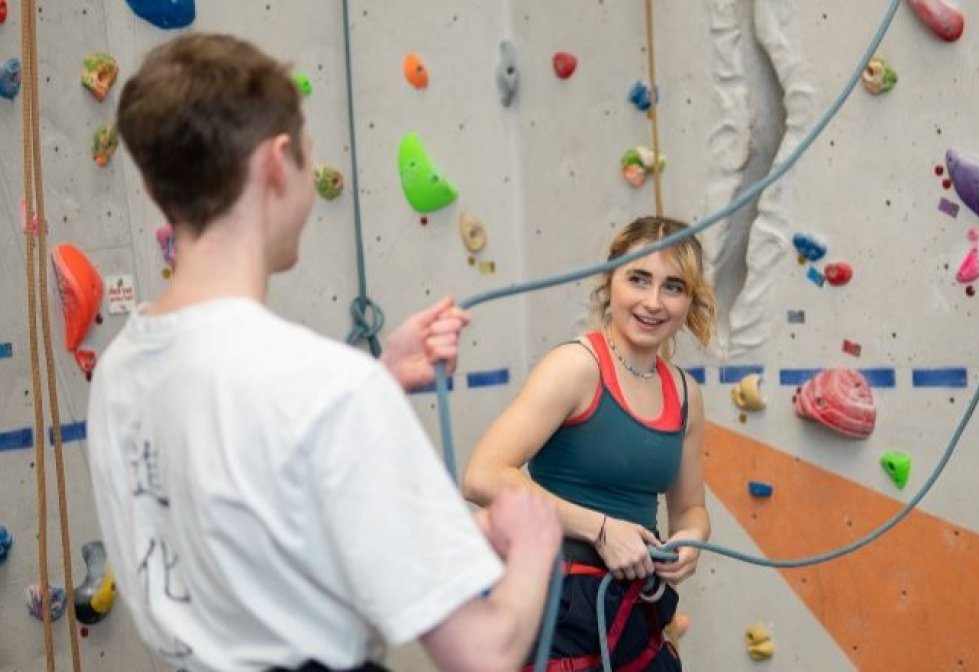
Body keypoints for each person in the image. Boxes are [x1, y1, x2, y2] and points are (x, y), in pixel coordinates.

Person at [86, 33, 561, 672]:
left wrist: (378, 380)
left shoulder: (120, 370)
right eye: (311, 157)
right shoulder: (328, 390)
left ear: (152, 189)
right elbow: (483, 653)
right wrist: (532, 545)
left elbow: (251, 520)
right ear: (278, 163)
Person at [463, 216, 715, 671]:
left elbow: (689, 508)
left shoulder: (684, 395)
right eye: (638, 279)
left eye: (673, 287)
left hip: (631, 601)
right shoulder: (575, 367)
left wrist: (691, 539)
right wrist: (601, 529)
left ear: (690, 301)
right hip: (554, 598)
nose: (653, 302)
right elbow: (482, 475)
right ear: (610, 282)